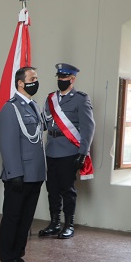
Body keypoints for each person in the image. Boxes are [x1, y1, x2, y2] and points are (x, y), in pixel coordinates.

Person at [0, 66, 46, 262]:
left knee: (26, 219)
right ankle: (7, 260)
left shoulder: (33, 105)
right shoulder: (11, 108)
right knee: (13, 218)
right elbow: (7, 144)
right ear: (20, 83)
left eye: (36, 78)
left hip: (35, 173)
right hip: (19, 174)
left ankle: (18, 256)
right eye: (32, 78)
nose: (35, 81)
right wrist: (15, 172)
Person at [38, 63, 95, 239]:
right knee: (52, 188)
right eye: (59, 77)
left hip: (69, 150)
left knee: (67, 189)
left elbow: (88, 127)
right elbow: (45, 123)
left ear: (72, 79)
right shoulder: (50, 99)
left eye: (64, 77)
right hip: (51, 148)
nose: (61, 80)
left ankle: (68, 224)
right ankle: (54, 223)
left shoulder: (80, 99)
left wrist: (83, 152)